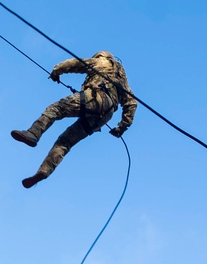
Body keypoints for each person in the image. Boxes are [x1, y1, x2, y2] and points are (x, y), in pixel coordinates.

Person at [11, 51, 136, 188]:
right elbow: (132, 102)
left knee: (56, 109)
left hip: (94, 98)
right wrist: (122, 127)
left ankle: (33, 133)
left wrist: (56, 71)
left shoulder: (101, 62)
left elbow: (75, 64)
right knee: (65, 142)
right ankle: (44, 171)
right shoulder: (123, 81)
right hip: (105, 116)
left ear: (101, 56)